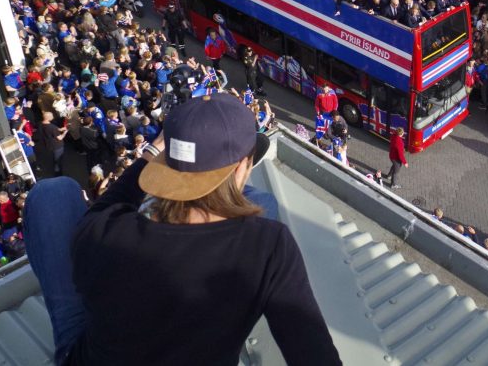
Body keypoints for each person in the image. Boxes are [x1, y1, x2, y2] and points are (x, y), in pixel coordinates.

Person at [24, 94, 342, 365]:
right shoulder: (269, 246)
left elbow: (110, 202)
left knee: (50, 194)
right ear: (243, 166)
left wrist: (150, 156)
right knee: (261, 202)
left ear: (166, 165)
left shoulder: (106, 232)